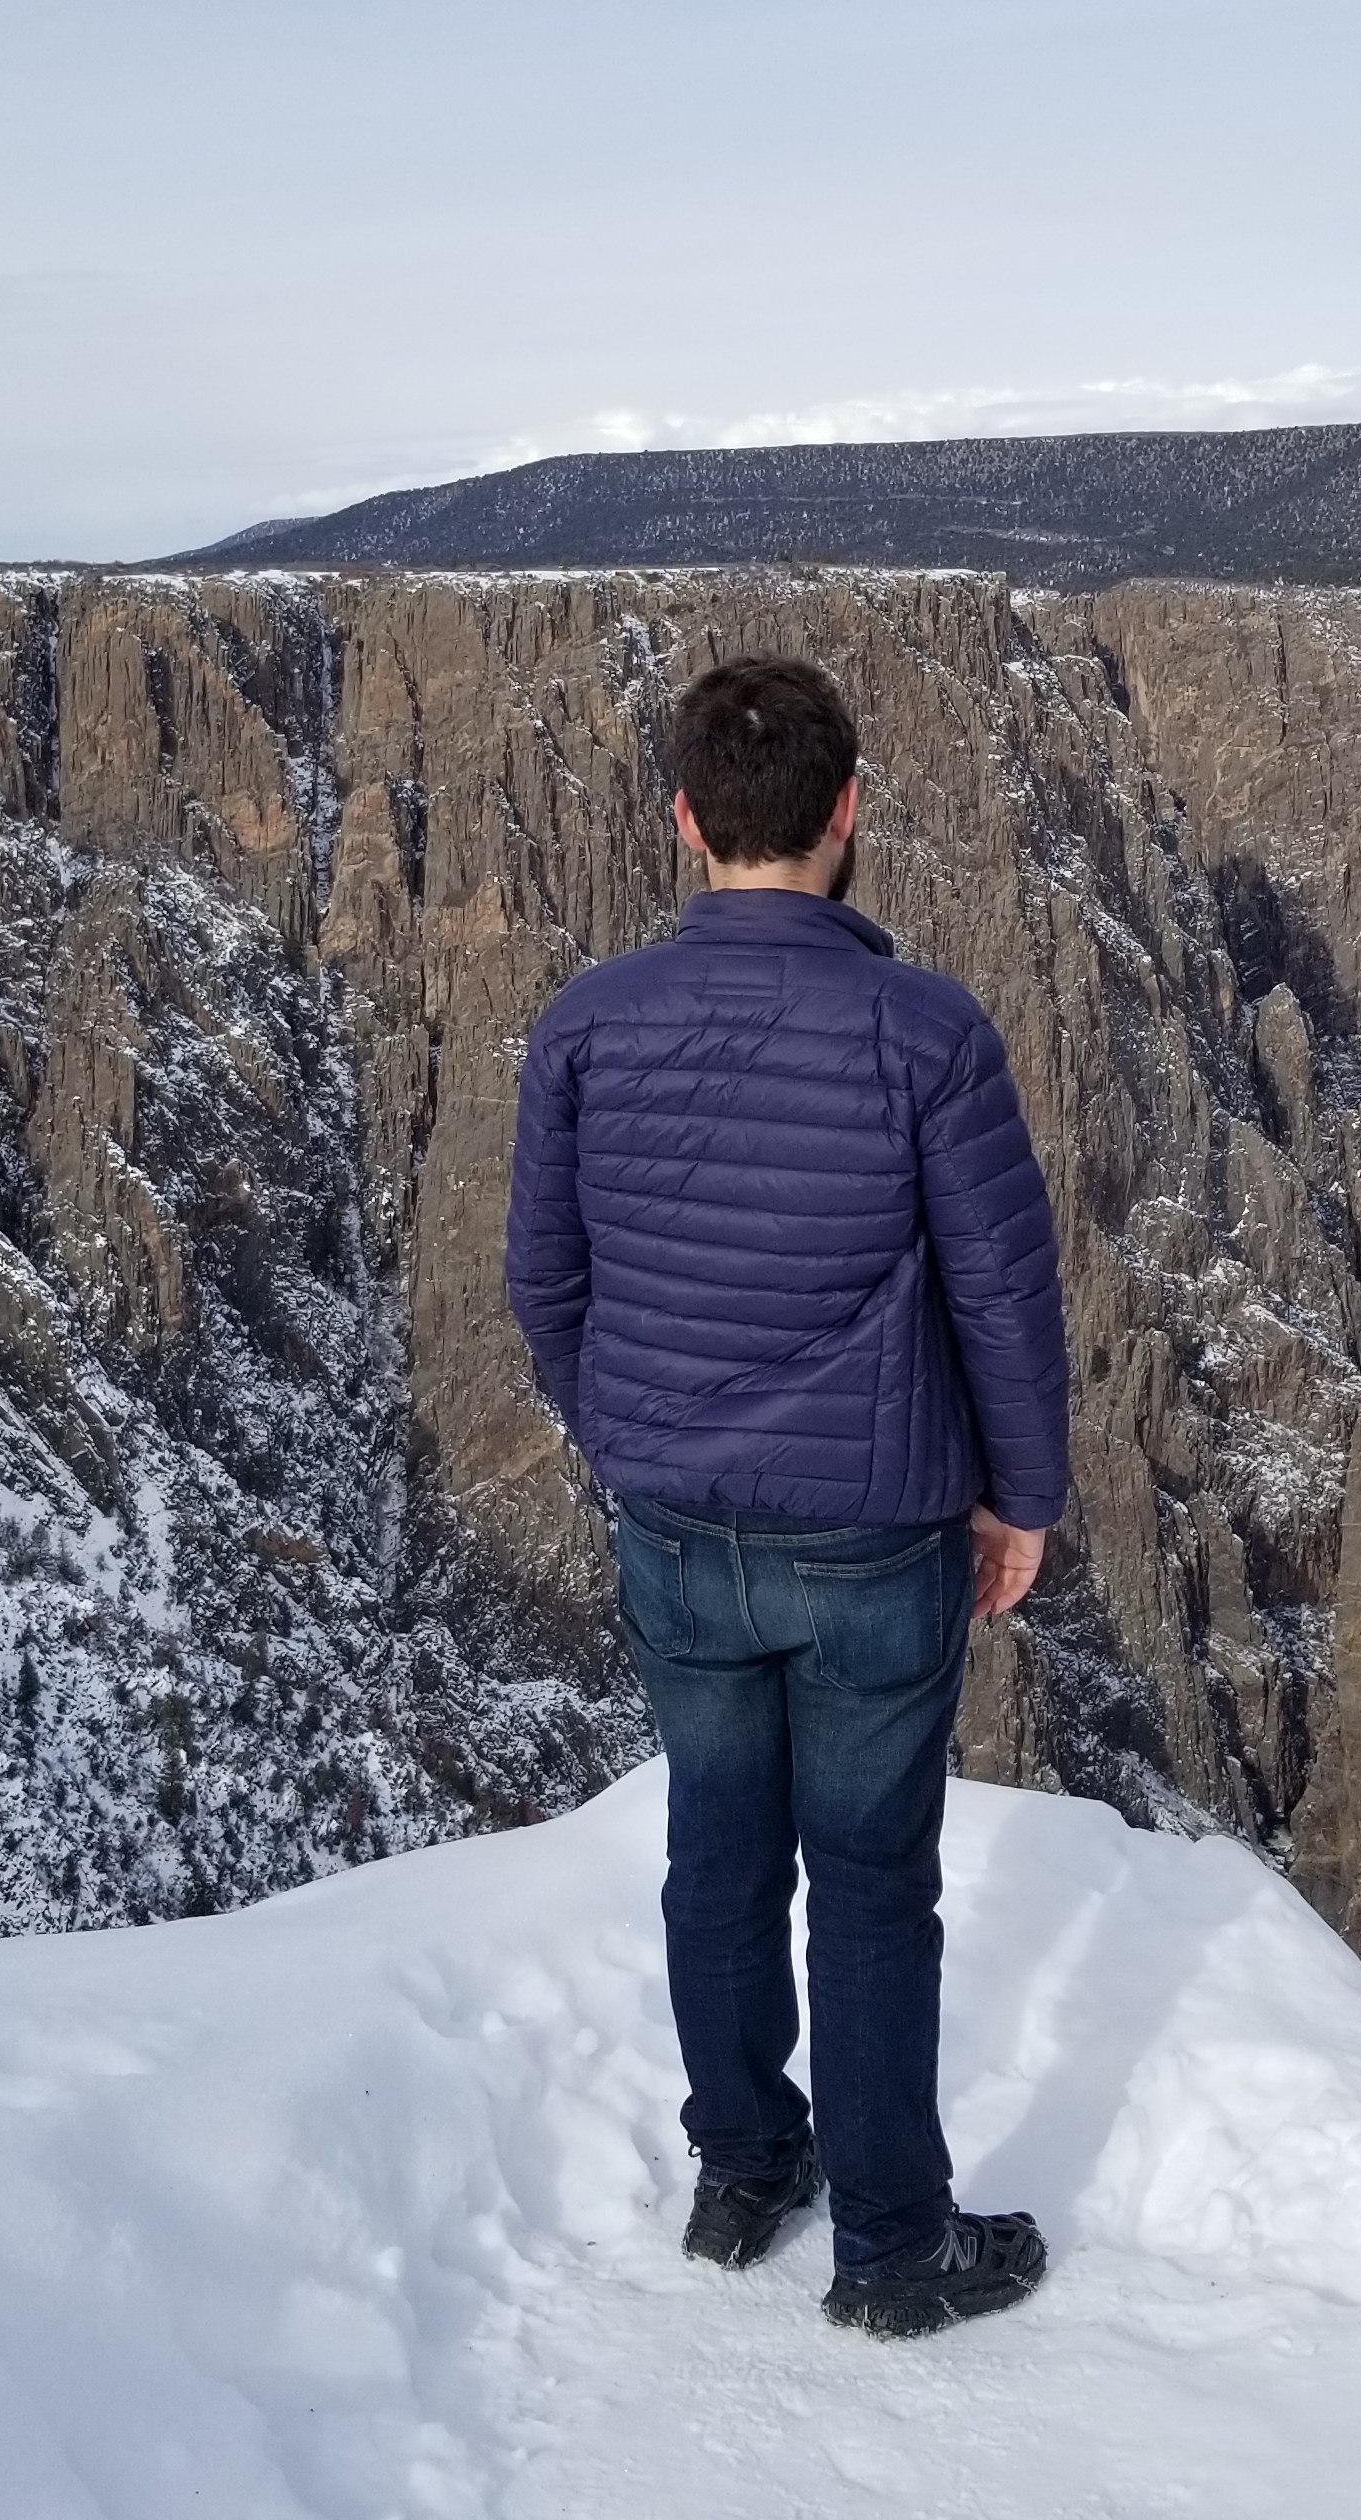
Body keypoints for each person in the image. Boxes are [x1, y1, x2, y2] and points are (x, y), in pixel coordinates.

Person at [505, 654, 1073, 2340]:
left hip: (676, 1531)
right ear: (847, 816)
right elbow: (1004, 1302)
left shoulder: (588, 1024)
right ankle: (893, 2249)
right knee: (874, 1884)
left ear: (686, 819)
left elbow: (544, 1284)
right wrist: (1018, 1501)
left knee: (716, 1861)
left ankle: (746, 2169)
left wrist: (622, 1432)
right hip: (878, 1542)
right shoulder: (929, 1033)